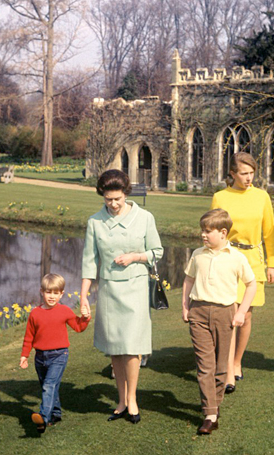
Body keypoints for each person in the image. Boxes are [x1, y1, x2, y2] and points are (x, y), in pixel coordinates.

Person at [79, 169, 163, 424]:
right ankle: (121, 400)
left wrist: (134, 257)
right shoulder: (95, 222)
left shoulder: (145, 217)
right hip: (108, 291)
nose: (113, 204)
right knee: (115, 349)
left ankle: (133, 399)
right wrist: (83, 296)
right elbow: (89, 263)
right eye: (108, 200)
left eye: (117, 199)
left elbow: (157, 252)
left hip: (136, 289)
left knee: (132, 347)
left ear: (126, 193)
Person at [182, 209, 257, 435]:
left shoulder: (236, 257)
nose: (203, 235)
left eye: (208, 231)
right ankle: (210, 414)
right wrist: (185, 306)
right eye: (202, 231)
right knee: (205, 365)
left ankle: (213, 404)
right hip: (199, 313)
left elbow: (251, 285)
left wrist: (241, 312)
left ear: (223, 232)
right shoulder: (197, 254)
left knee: (221, 367)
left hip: (225, 313)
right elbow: (188, 279)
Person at [211, 152, 274, 393]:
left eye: (252, 173)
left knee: (246, 315)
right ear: (232, 174)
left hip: (254, 260)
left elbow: (269, 232)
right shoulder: (220, 197)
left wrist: (272, 263)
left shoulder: (262, 197)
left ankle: (237, 361)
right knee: (230, 316)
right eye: (244, 173)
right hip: (228, 259)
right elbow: (214, 230)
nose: (249, 178)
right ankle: (228, 370)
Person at [20, 273, 91, 433]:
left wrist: (85, 318)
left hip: (59, 355)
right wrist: (24, 355)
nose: (51, 296)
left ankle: (43, 418)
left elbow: (78, 327)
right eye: (48, 292)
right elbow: (28, 337)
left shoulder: (65, 311)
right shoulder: (35, 314)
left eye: (55, 293)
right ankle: (56, 414)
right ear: (41, 291)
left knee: (49, 385)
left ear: (61, 294)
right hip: (40, 357)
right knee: (50, 386)